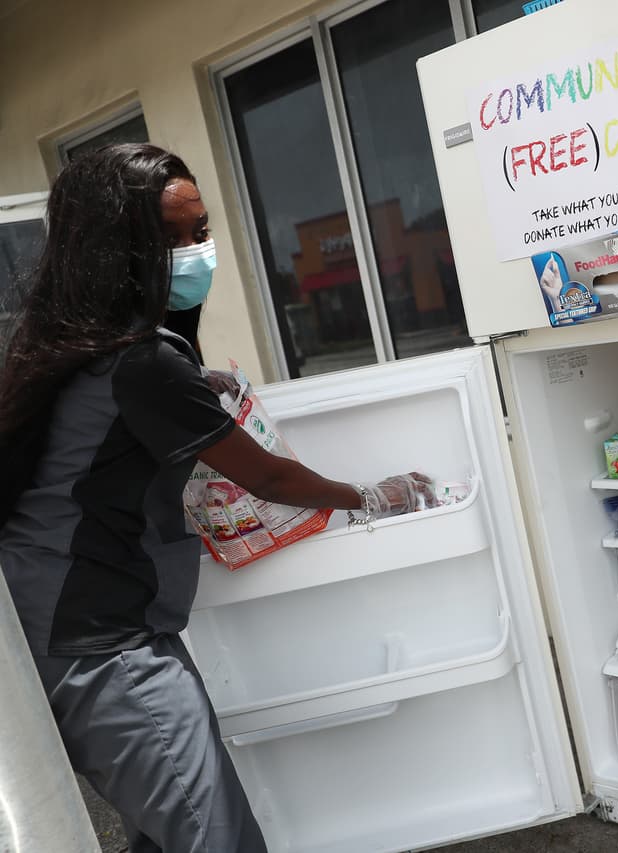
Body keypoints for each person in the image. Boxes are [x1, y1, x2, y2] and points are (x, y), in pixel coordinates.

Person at [0, 144, 429, 852]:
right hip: (98, 643)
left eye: (200, 230)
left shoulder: (67, 340)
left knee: (164, 832)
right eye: (171, 238)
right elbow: (273, 479)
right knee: (214, 838)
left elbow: (108, 435)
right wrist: (373, 496)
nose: (197, 250)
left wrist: (196, 388)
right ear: (118, 250)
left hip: (66, 624)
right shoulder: (142, 363)